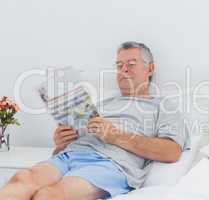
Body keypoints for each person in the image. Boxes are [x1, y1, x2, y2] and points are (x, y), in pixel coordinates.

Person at [0, 41, 190, 200]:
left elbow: (172, 152)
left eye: (131, 64)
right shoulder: (101, 104)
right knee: (22, 179)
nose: (123, 70)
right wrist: (61, 143)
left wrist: (116, 136)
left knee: (49, 195)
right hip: (70, 155)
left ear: (150, 68)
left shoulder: (163, 107)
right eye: (119, 65)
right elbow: (70, 143)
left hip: (111, 164)